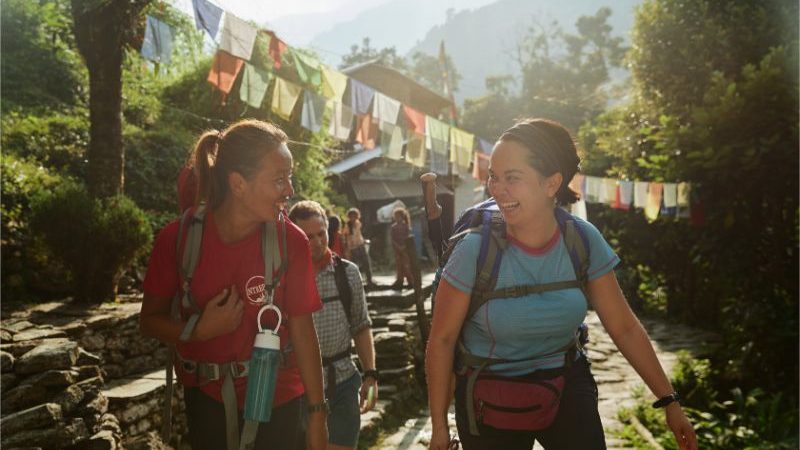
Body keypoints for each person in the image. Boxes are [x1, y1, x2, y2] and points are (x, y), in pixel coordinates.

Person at [425, 118, 697, 450]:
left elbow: (623, 326)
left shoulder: (581, 241)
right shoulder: (473, 250)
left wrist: (668, 400)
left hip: (564, 380)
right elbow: (442, 339)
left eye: (512, 178)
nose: (497, 189)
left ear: (552, 182)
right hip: (487, 389)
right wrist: (439, 426)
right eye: (494, 177)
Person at [140, 119, 328, 450]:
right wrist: (197, 331)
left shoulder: (291, 242)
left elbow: (303, 331)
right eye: (279, 180)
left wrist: (317, 416)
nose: (290, 190)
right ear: (238, 184)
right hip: (206, 399)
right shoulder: (179, 239)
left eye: (290, 178)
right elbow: (149, 320)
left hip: (279, 399)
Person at [289, 200, 379, 450]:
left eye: (321, 234)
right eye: (308, 237)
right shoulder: (286, 278)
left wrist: (370, 375)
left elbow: (361, 325)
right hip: (299, 386)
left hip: (342, 380)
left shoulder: (347, 273)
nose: (318, 242)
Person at [343, 207, 374, 287]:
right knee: (354, 265)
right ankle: (356, 281)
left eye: (354, 216)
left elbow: (358, 234)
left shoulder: (358, 223)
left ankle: (369, 280)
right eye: (351, 216)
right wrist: (347, 248)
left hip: (360, 244)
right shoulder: (347, 225)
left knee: (366, 262)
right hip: (353, 247)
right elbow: (346, 237)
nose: (353, 217)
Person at [390, 206, 413, 289]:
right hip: (397, 249)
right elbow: (392, 239)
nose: (397, 218)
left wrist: (403, 247)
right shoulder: (393, 227)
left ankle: (410, 281)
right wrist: (398, 247)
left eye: (398, 216)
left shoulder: (406, 226)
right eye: (396, 216)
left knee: (406, 265)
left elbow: (408, 237)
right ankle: (399, 281)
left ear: (402, 217)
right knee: (399, 265)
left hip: (405, 249)